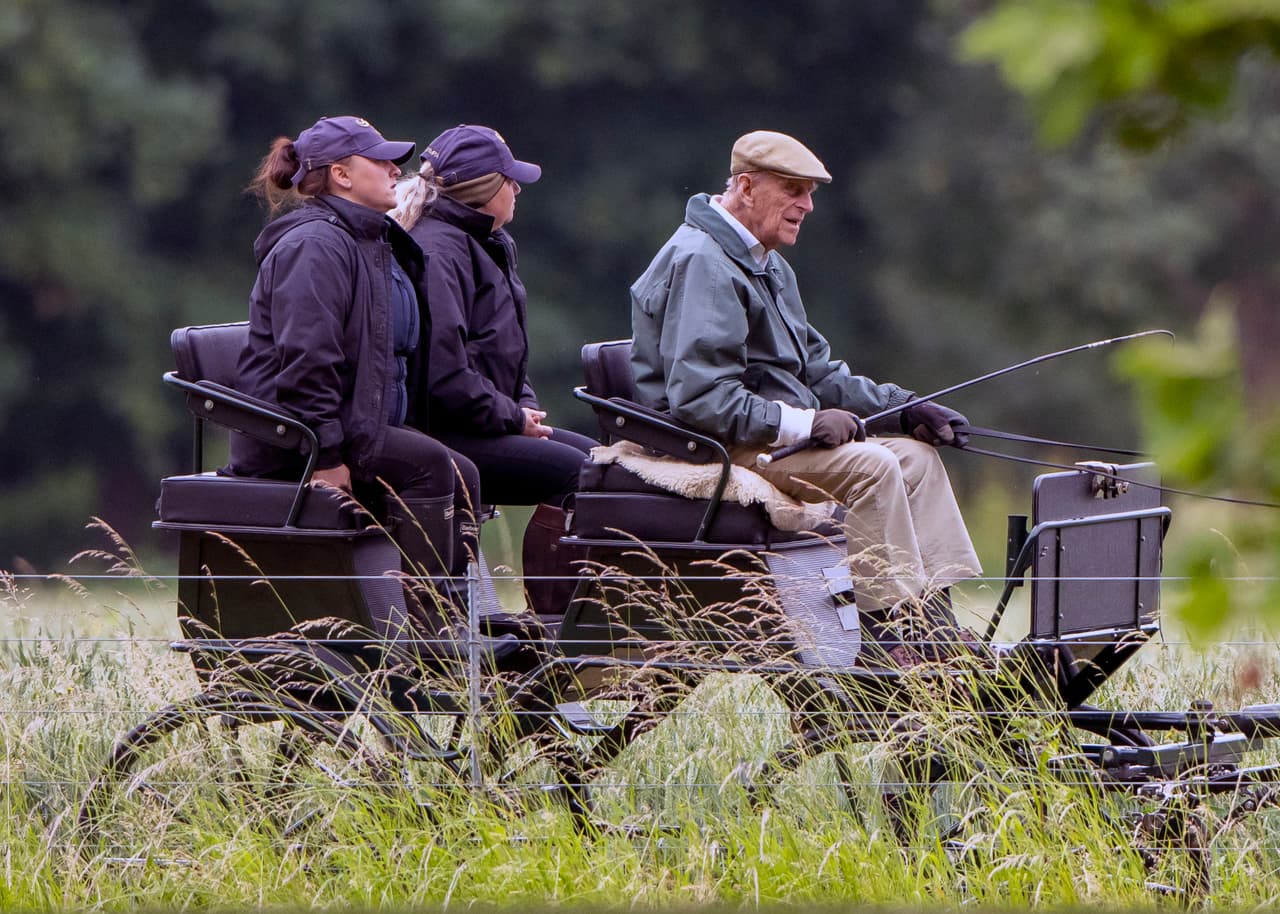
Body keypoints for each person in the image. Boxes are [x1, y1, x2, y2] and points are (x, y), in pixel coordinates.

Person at [629, 130, 984, 666]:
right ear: (746, 188)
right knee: (874, 467)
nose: (807, 205)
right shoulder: (703, 261)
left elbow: (818, 371)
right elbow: (701, 400)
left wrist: (905, 407)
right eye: (794, 189)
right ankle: (887, 643)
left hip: (761, 433)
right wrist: (803, 424)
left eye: (811, 192)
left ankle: (934, 623)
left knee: (915, 457)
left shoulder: (765, 262)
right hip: (713, 445)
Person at [229, 115, 481, 618]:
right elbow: (307, 362)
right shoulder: (316, 245)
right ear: (342, 175)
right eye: (381, 159)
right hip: (297, 438)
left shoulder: (368, 240)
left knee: (462, 471)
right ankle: (432, 636)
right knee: (435, 469)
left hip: (350, 426)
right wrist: (323, 454)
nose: (396, 169)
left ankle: (456, 623)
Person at [391, 125, 596, 513]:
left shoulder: (487, 242)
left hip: (484, 420)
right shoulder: (439, 252)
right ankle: (567, 576)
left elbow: (505, 354)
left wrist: (524, 408)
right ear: (482, 190)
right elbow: (443, 377)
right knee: (585, 473)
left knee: (603, 461)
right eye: (510, 181)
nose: (518, 190)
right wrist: (513, 418)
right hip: (444, 430)